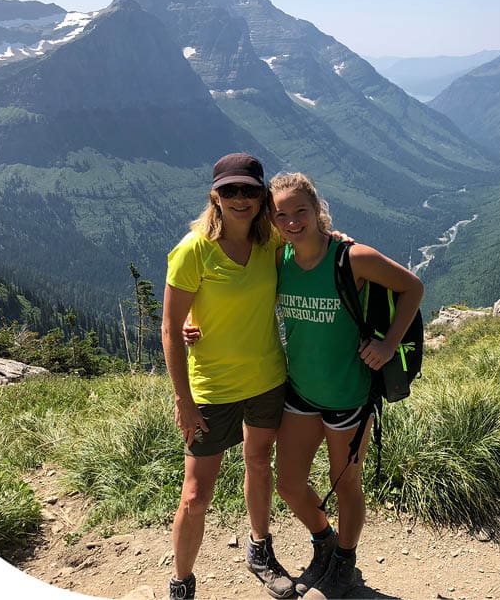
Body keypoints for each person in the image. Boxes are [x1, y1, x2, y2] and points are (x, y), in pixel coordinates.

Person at [270, 172, 424, 600]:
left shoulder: (351, 258)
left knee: (347, 484)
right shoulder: (277, 259)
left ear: (317, 209)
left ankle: (344, 563)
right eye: (281, 215)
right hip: (300, 392)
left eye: (300, 211)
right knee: (288, 484)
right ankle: (325, 540)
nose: (292, 222)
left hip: (349, 397)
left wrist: (389, 343)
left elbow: (413, 287)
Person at [162, 153, 295, 600]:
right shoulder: (192, 250)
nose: (241, 199)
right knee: (196, 494)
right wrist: (183, 399)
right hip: (212, 389)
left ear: (262, 197)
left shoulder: (272, 242)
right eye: (230, 191)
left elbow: (310, 240)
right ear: (214, 196)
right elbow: (169, 326)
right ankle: (181, 580)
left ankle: (260, 549)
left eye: (250, 190)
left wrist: (339, 239)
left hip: (266, 379)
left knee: (259, 464)